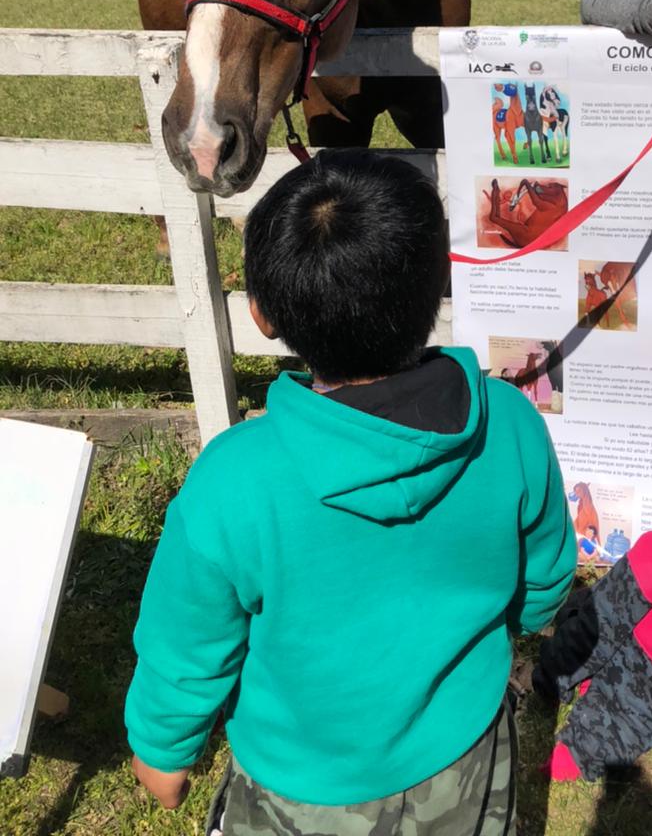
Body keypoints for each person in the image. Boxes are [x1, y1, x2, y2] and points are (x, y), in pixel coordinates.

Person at [125, 150, 576, 835]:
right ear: (442, 281)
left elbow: (186, 643)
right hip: (465, 755)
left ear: (262, 315)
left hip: (297, 788)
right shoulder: (509, 423)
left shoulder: (234, 478)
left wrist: (163, 748)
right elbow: (544, 578)